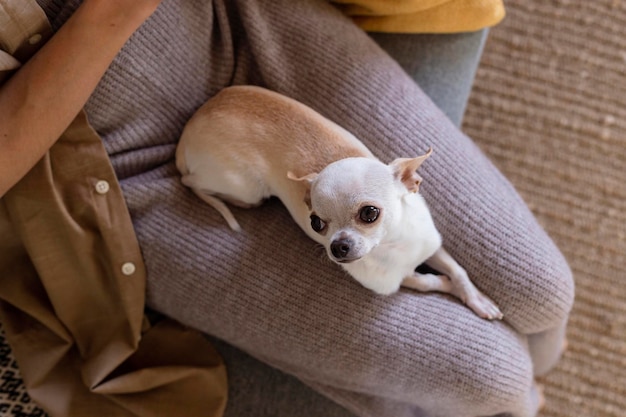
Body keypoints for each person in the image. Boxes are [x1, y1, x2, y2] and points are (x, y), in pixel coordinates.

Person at [0, 1, 575, 416]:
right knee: (492, 375)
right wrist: (112, 15)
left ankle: (545, 365)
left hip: (243, 22)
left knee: (543, 289)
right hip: (134, 173)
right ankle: (527, 393)